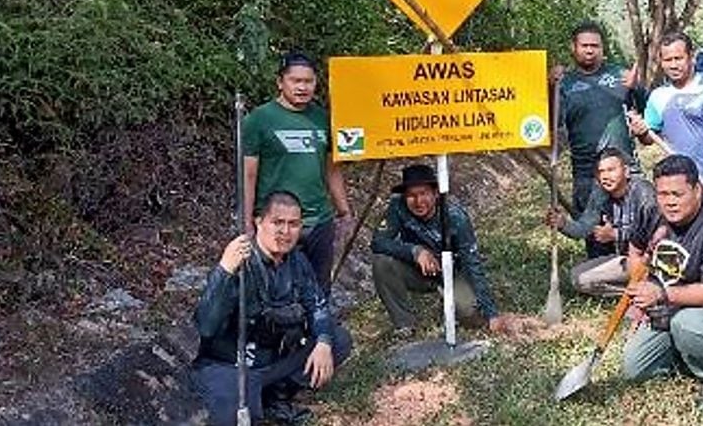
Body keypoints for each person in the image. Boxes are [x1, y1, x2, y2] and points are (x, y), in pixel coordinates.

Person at [191, 191, 353, 426]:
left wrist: (324, 341)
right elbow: (206, 326)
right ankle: (258, 398)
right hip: (231, 366)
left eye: (293, 224)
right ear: (258, 222)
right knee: (229, 417)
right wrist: (224, 270)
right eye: (277, 222)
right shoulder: (239, 262)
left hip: (274, 362)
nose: (285, 232)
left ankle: (278, 394)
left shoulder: (297, 261)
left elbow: (316, 304)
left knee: (338, 340)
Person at [620, 155, 703, 413]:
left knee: (690, 325)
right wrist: (640, 292)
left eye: (677, 194)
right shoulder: (653, 214)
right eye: (662, 194)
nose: (669, 202)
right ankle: (696, 350)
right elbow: (636, 253)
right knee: (634, 369)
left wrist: (659, 294)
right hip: (676, 304)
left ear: (696, 189)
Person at [242, 52, 353, 291]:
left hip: (318, 220)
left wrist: (344, 211)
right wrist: (247, 219)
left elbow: (332, 170)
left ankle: (317, 328)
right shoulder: (259, 120)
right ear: (280, 82)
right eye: (295, 81)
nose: (302, 87)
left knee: (318, 289)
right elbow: (248, 175)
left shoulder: (323, 119)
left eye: (308, 81)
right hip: (275, 221)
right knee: (273, 290)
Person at [370, 164, 506, 338]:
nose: (418, 202)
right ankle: (404, 324)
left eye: (424, 193)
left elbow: (472, 263)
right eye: (411, 195)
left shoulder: (455, 217)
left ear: (435, 193)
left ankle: (456, 301)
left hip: (453, 273)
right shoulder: (397, 206)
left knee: (472, 317)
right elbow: (378, 242)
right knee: (382, 262)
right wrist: (415, 251)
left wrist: (491, 313)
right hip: (419, 270)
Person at [553, 21, 646, 258]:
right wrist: (549, 88)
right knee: (594, 231)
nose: (590, 50)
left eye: (595, 45)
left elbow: (645, 113)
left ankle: (638, 267)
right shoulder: (565, 83)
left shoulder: (620, 75)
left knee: (639, 223)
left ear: (603, 49)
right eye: (584, 45)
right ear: (573, 48)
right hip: (586, 171)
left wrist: (637, 89)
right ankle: (602, 272)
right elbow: (550, 123)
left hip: (626, 167)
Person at [626, 32, 703, 207]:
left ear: (691, 57)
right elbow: (649, 138)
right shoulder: (658, 96)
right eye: (668, 60)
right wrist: (641, 131)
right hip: (679, 187)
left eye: (678, 58)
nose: (673, 65)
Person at [543, 147, 660, 297]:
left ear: (626, 171)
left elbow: (656, 233)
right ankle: (638, 290)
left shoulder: (643, 192)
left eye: (611, 170)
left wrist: (616, 234)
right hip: (624, 260)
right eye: (601, 172)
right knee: (578, 278)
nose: (605, 176)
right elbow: (584, 228)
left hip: (651, 259)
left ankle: (654, 290)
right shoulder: (600, 194)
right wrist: (563, 224)